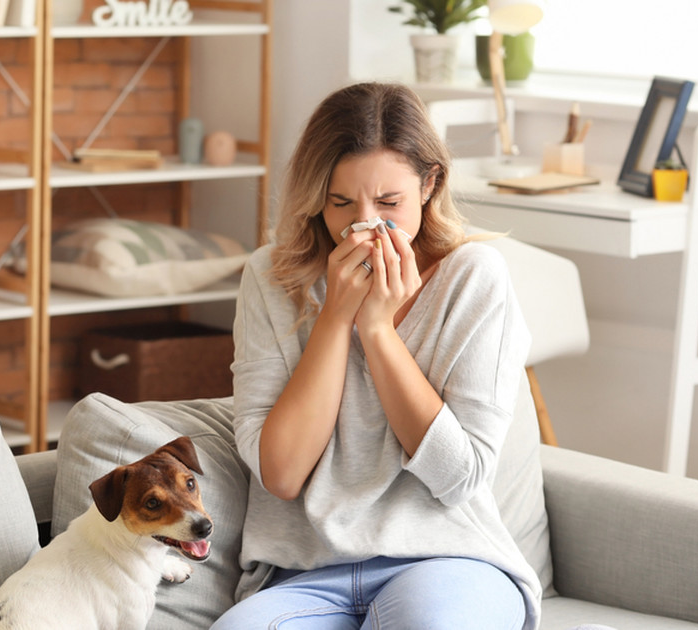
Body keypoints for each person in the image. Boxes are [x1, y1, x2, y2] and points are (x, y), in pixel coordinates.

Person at [212, 81, 540, 630]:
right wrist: (336, 318)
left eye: (389, 203)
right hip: (302, 574)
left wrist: (379, 329)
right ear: (318, 196)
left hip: (448, 558)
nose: (364, 224)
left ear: (430, 183)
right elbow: (283, 474)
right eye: (341, 203)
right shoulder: (270, 277)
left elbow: (459, 477)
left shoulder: (474, 278)